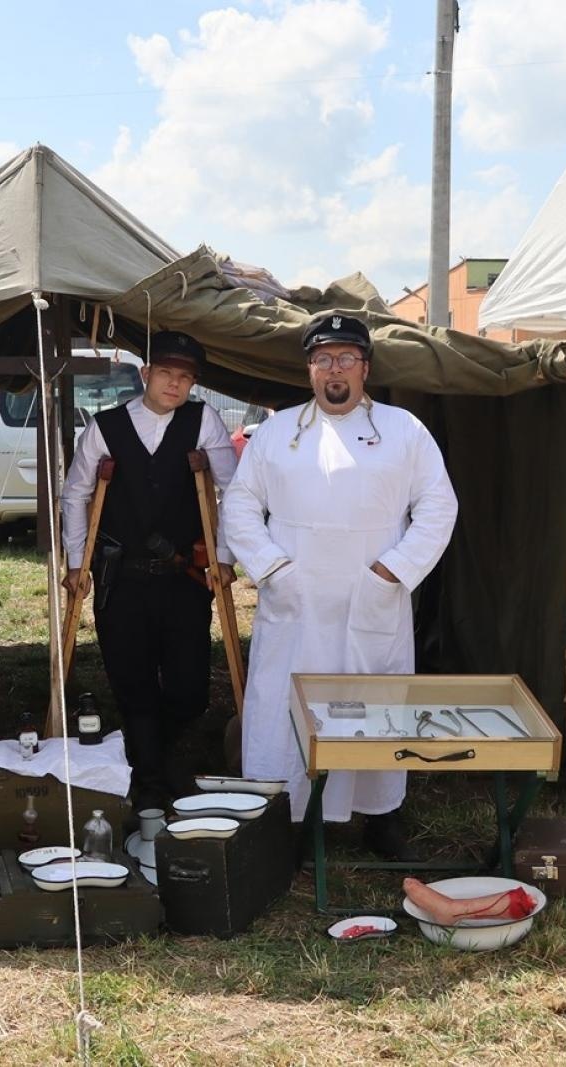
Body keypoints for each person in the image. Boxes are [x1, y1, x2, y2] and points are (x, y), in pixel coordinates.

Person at [221, 312, 457, 859]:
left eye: (345, 359)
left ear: (364, 368)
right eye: (323, 358)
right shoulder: (276, 432)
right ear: (309, 369)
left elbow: (438, 505)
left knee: (372, 703)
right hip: (295, 597)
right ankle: (289, 816)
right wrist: (271, 568)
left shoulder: (404, 430)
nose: (335, 369)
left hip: (370, 594)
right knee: (286, 705)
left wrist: (395, 569)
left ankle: (380, 816)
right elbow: (240, 505)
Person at [61, 331, 237, 811]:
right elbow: (76, 494)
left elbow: (233, 491)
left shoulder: (205, 421)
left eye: (185, 377)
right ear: (146, 375)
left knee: (189, 690)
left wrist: (224, 556)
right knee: (132, 682)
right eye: (166, 373)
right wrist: (77, 562)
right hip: (123, 579)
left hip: (184, 578)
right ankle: (152, 782)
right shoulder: (106, 426)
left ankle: (147, 753)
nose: (175, 384)